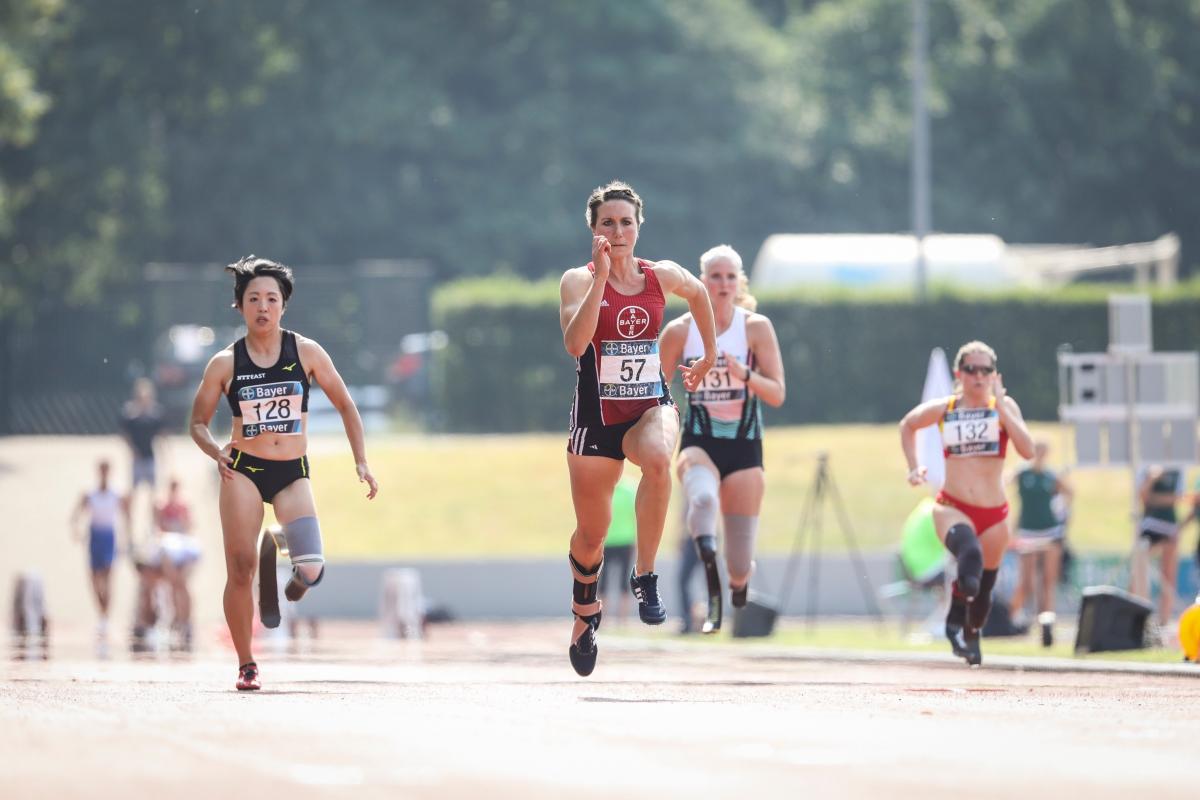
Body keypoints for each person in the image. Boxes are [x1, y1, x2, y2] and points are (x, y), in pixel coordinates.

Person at [189, 255, 379, 691]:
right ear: (239, 306)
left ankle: (281, 553)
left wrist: (361, 461)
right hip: (244, 471)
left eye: (271, 299)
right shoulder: (224, 363)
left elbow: (347, 405)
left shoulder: (307, 353)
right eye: (253, 298)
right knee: (239, 568)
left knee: (312, 569)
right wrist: (214, 450)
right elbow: (197, 422)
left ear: (283, 306)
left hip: (292, 471)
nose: (262, 306)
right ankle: (246, 662)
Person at [558, 180, 717, 676]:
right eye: (608, 222)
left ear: (639, 226)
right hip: (596, 422)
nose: (619, 230)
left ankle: (645, 574)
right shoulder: (577, 280)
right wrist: (602, 278)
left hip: (650, 406)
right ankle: (586, 613)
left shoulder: (660, 275)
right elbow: (574, 344)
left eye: (626, 221)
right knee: (592, 533)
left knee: (657, 458)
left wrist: (709, 353)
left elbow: (697, 292)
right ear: (594, 229)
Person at [659, 244, 785, 634]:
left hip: (746, 447)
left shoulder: (755, 328)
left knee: (741, 568)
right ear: (701, 282)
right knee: (702, 497)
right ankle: (708, 568)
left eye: (731, 276)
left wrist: (741, 373)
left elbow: (778, 393)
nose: (723, 283)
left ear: (739, 282)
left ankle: (731, 578)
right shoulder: (680, 331)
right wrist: (662, 428)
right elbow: (656, 392)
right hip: (700, 440)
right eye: (715, 276)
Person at [899, 341, 1035, 666]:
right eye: (971, 369)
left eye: (986, 370)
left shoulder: (1005, 408)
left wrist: (1002, 408)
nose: (979, 375)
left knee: (983, 591)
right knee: (969, 557)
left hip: (994, 514)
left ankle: (970, 633)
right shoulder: (947, 408)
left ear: (995, 375)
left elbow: (1028, 450)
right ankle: (953, 621)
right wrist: (913, 466)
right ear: (958, 373)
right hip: (953, 506)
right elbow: (908, 424)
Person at [1007, 440, 1072, 646]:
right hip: (1027, 531)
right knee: (1026, 582)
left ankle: (1046, 623)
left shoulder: (1051, 476)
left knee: (1047, 581)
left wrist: (1062, 514)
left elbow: (1069, 493)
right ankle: (1011, 619)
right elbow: (1003, 483)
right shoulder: (1022, 473)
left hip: (1050, 531)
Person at [71, 459, 128, 656]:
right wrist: (76, 530)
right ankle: (101, 614)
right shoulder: (90, 494)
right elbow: (76, 514)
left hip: (109, 537)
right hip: (95, 536)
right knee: (95, 579)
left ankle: (105, 618)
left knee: (108, 579)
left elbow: (126, 516)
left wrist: (126, 539)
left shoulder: (116, 494)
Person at [1130, 464, 1183, 626]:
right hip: (1149, 528)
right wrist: (1152, 479)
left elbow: (1176, 498)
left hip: (1169, 528)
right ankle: (1138, 618)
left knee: (1168, 575)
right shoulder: (1145, 467)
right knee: (1139, 572)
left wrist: (1155, 498)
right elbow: (1143, 497)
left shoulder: (1177, 469)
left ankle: (1164, 621)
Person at [155, 477, 201, 650]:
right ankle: (176, 618)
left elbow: (190, 526)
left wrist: (181, 521)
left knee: (183, 584)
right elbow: (159, 527)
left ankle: (186, 620)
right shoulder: (162, 506)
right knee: (173, 585)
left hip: (183, 548)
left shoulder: (184, 505)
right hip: (170, 548)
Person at [120, 378, 166, 537]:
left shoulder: (155, 414)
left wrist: (165, 454)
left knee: (154, 497)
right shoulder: (131, 414)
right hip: (137, 459)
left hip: (150, 458)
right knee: (133, 495)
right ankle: (129, 529)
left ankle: (153, 528)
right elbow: (124, 435)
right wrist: (132, 450)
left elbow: (161, 435)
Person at [598, 477, 637, 625]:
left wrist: (637, 542)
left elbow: (636, 517)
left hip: (625, 540)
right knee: (603, 581)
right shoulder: (604, 489)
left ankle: (623, 619)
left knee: (624, 580)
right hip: (606, 541)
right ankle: (604, 617)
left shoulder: (628, 491)